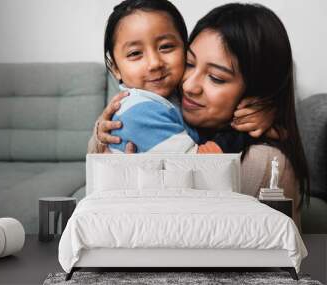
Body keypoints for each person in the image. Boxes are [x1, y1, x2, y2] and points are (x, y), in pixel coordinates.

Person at [89, 3, 309, 228]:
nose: (189, 86)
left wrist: (263, 115)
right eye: (190, 64)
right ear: (114, 67)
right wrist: (101, 132)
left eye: (216, 77)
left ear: (257, 92)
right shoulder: (150, 106)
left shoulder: (262, 162)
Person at [103, 0, 256, 154]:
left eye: (166, 46)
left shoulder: (173, 95)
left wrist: (262, 113)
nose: (155, 63)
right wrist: (248, 132)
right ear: (115, 68)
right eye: (135, 53)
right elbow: (198, 164)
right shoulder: (139, 111)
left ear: (185, 46)